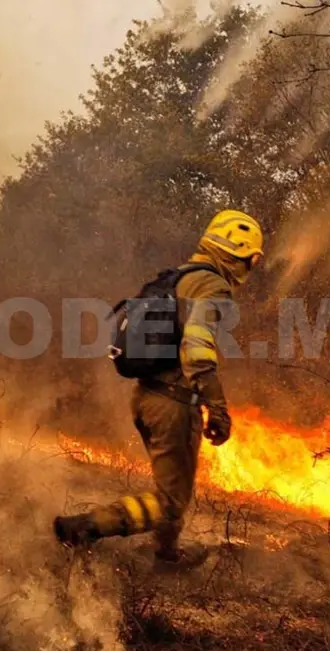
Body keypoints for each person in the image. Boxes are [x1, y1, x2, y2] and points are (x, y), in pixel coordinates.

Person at [52, 210, 264, 570]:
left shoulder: (179, 277)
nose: (250, 268)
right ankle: (86, 527)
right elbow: (197, 351)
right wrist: (218, 407)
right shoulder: (212, 285)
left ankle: (166, 554)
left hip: (146, 397)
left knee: (174, 489)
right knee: (169, 502)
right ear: (241, 253)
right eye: (251, 260)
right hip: (173, 404)